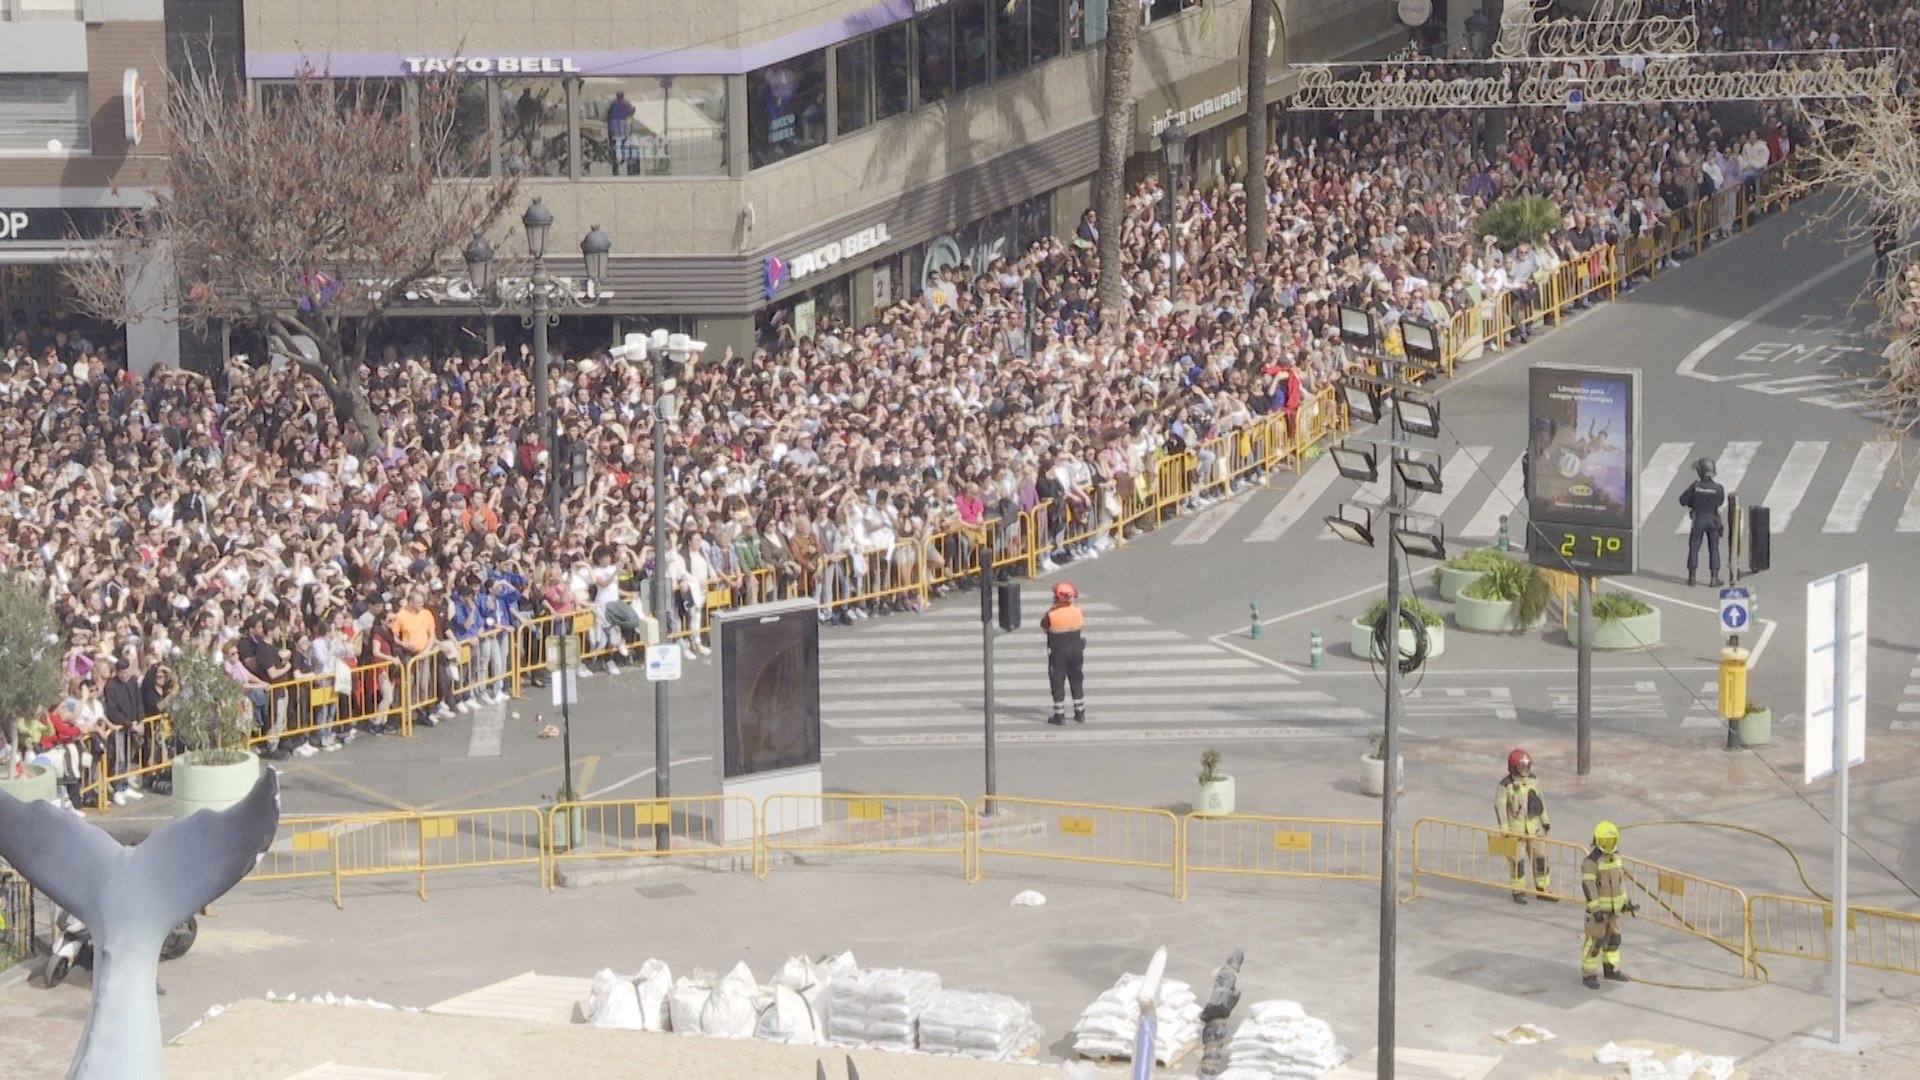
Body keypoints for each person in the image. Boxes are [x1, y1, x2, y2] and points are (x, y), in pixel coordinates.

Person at [1495, 748, 1556, 904]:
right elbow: (1500, 807)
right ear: (1514, 767)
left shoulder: (1533, 781)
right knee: (1517, 862)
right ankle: (1518, 890)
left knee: (1541, 859)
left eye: (1527, 766)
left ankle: (1543, 889)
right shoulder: (1506, 785)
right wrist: (1504, 829)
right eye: (1522, 766)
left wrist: (1545, 821)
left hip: (1534, 829)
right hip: (1515, 832)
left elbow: (1540, 802)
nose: (1526, 769)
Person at [1580, 820, 1636, 989]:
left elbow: (1620, 883)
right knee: (1595, 943)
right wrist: (1596, 909)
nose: (1609, 845)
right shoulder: (1591, 862)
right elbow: (1589, 887)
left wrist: (1625, 902)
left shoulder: (1617, 857)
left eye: (1611, 842)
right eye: (1605, 842)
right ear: (1597, 841)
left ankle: (1611, 970)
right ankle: (1589, 974)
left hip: (1614, 911)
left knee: (1614, 941)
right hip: (1598, 913)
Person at [1042, 580, 1086, 725]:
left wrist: (1054, 608)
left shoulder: (1052, 614)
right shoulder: (1077, 611)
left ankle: (1059, 715)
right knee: (1076, 680)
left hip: (1058, 653)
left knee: (1058, 682)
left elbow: (1044, 625)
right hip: (1076, 651)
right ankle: (1080, 713)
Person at [1677, 456, 1725, 587]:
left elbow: (1682, 500)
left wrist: (1694, 503)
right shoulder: (1718, 488)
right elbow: (1720, 502)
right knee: (1714, 548)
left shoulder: (1696, 487)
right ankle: (1714, 578)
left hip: (1699, 520)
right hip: (1713, 520)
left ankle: (1692, 578)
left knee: (1694, 548)